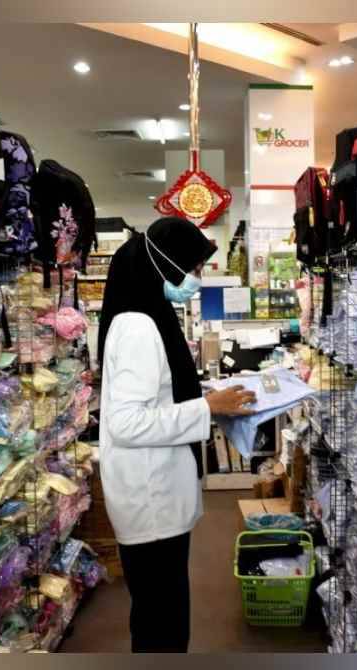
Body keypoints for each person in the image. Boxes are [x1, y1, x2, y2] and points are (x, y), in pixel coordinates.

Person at [96, 216, 256, 653]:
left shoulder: (148, 313)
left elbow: (159, 394)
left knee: (159, 616)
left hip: (155, 497)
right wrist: (206, 408)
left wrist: (209, 400)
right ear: (165, 265)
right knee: (161, 624)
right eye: (195, 268)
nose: (198, 280)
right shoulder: (138, 327)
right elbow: (125, 423)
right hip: (150, 500)